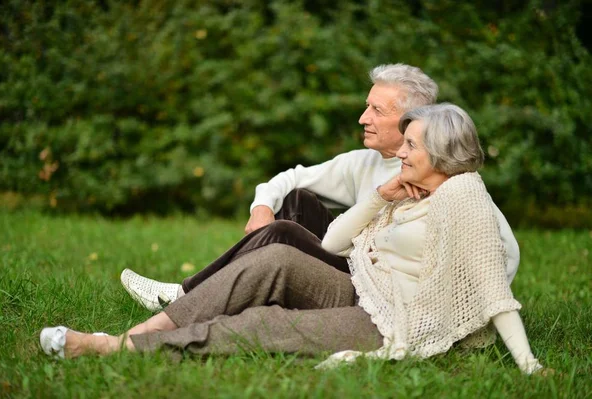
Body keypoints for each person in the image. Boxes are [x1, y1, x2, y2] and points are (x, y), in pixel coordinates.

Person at [40, 103, 543, 374]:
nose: (401, 152)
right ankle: (145, 330)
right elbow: (334, 244)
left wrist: (528, 364)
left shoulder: (465, 197)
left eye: (410, 144)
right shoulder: (406, 190)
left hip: (394, 324)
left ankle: (114, 350)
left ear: (440, 151)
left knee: (265, 324)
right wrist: (381, 196)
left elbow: (495, 291)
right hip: (365, 288)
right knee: (276, 255)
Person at [119, 64, 520, 312]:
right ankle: (249, 292)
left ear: (412, 118)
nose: (363, 117)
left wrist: (468, 304)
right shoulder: (363, 162)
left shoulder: (448, 177)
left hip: (381, 288)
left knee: (285, 233)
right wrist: (261, 206)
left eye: (376, 110)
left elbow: (503, 249)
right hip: (349, 261)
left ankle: (183, 296)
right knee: (296, 202)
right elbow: (288, 179)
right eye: (367, 105)